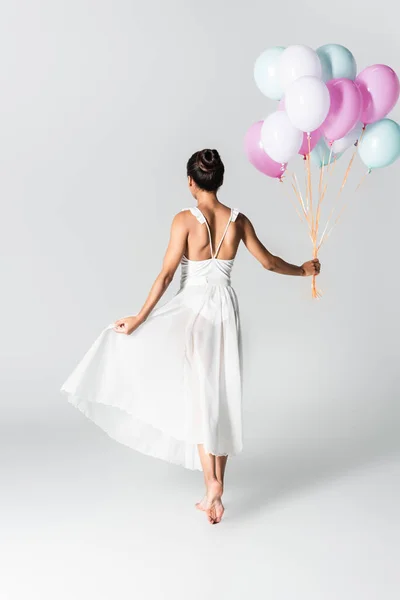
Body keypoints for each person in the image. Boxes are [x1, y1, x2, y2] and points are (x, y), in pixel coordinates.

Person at [61, 149, 320, 525]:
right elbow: (268, 262)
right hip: (225, 311)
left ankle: (211, 486)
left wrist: (138, 319)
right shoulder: (239, 221)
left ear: (190, 182)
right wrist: (303, 271)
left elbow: (166, 276)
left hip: (194, 313)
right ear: (220, 180)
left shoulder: (184, 220)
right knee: (225, 394)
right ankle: (216, 490)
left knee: (201, 398)